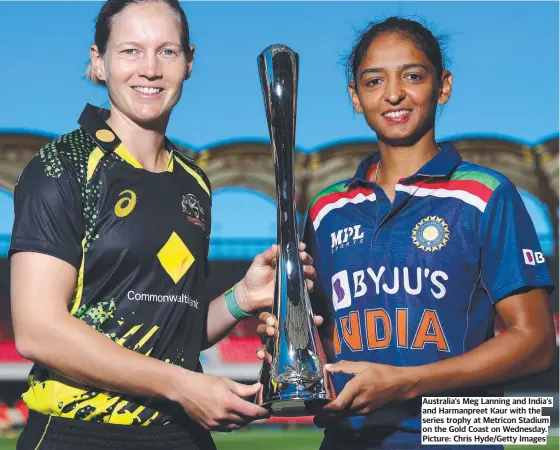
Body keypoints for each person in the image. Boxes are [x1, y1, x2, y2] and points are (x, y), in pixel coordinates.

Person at [9, 1, 316, 449]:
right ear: (99, 61)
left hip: (182, 434)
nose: (150, 69)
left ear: (189, 61)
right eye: (130, 51)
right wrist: (182, 385)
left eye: (167, 52)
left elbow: (174, 332)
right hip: (80, 435)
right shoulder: (63, 166)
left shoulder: (194, 182)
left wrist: (240, 298)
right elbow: (38, 330)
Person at [257, 16, 555, 450]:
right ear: (355, 97)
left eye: (412, 76)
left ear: (443, 86)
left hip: (462, 437)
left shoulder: (487, 193)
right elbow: (322, 337)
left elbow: (538, 343)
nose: (394, 93)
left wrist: (405, 384)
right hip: (349, 439)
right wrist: (285, 338)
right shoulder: (327, 208)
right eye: (373, 81)